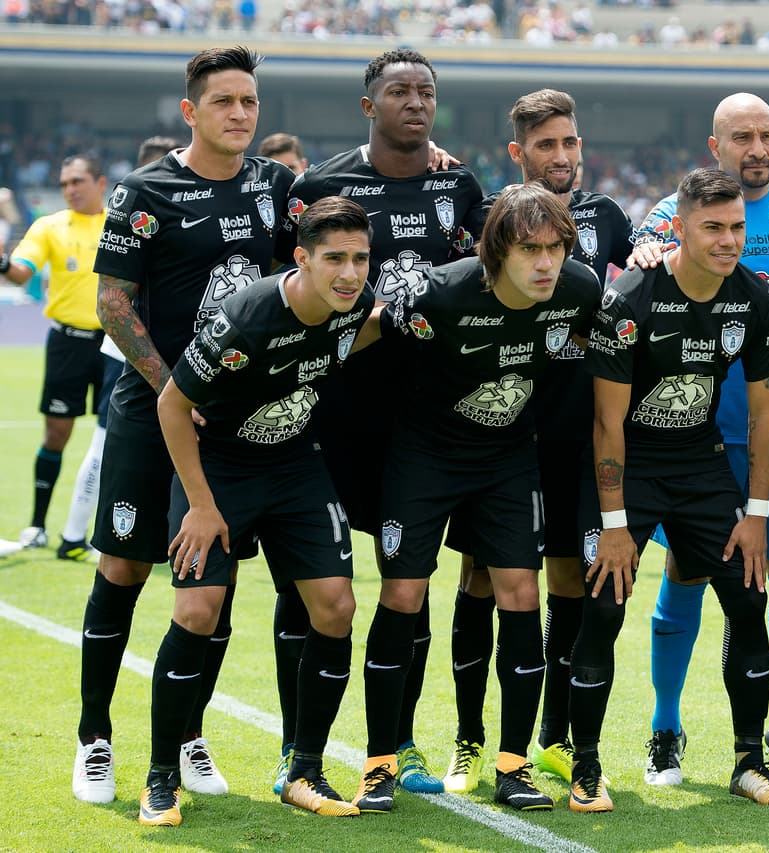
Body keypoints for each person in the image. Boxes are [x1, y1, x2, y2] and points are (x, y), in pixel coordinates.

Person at [75, 45, 296, 806]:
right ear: (190, 110)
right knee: (124, 570)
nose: (240, 114)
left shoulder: (275, 186)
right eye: (225, 101)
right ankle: (94, 736)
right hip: (151, 411)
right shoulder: (145, 191)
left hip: (233, 424)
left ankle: (188, 732)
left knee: (215, 582)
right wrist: (176, 388)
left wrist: (423, 153)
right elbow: (112, 303)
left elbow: (346, 215)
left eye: (250, 102)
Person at [284, 47, 485, 806]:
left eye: (425, 91)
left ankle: (395, 743)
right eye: (398, 90)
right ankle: (295, 748)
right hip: (335, 413)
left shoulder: (457, 183)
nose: (415, 101)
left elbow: (485, 269)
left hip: (427, 418)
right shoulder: (322, 185)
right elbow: (289, 284)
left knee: (412, 580)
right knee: (310, 583)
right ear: (368, 105)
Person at [142, 196, 380, 826]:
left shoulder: (353, 302)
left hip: (296, 465)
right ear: (300, 258)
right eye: (335, 258)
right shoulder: (242, 318)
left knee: (336, 606)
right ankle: (160, 776)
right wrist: (199, 505)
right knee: (197, 611)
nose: (350, 273)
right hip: (220, 469)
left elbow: (373, 325)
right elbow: (171, 406)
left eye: (360, 258)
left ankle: (303, 769)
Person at [630, 92, 769, 787]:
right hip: (684, 441)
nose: (757, 148)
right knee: (687, 575)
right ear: (714, 147)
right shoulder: (674, 213)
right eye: (742, 137)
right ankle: (666, 725)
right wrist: (645, 250)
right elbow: (641, 262)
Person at [569, 167, 769, 813]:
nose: (727, 240)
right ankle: (587, 765)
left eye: (736, 228)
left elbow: (762, 415)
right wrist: (614, 523)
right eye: (713, 227)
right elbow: (607, 423)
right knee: (604, 604)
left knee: (749, 599)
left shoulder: (753, 298)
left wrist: (755, 514)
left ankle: (750, 761)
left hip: (700, 465)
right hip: (631, 468)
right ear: (681, 228)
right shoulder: (630, 298)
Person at [375, 182, 599, 812]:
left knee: (521, 593)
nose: (546, 263)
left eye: (556, 247)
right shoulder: (437, 292)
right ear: (497, 251)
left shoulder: (578, 291)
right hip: (424, 457)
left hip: (507, 457)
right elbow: (367, 336)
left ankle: (513, 765)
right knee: (403, 593)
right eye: (531, 248)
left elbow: (607, 343)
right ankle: (379, 761)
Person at [441, 88, 632, 794]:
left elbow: (616, 305)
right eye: (546, 145)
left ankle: (548, 740)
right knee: (483, 577)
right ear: (518, 152)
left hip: (575, 434)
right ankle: (467, 739)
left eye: (570, 143)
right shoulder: (484, 218)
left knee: (565, 582)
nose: (562, 157)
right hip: (499, 432)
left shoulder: (608, 218)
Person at [56, 137, 181, 567]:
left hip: (136, 350)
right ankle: (75, 534)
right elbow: (115, 297)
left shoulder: (173, 213)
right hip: (123, 351)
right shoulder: (136, 212)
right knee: (103, 443)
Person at [0, 154, 108, 557]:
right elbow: (21, 273)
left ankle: (101, 534)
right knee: (56, 434)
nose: (70, 189)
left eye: (78, 181)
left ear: (101, 183)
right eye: (64, 183)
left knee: (114, 441)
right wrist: (2, 261)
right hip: (67, 342)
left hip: (116, 344)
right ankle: (37, 525)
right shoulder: (49, 226)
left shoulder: (118, 222)